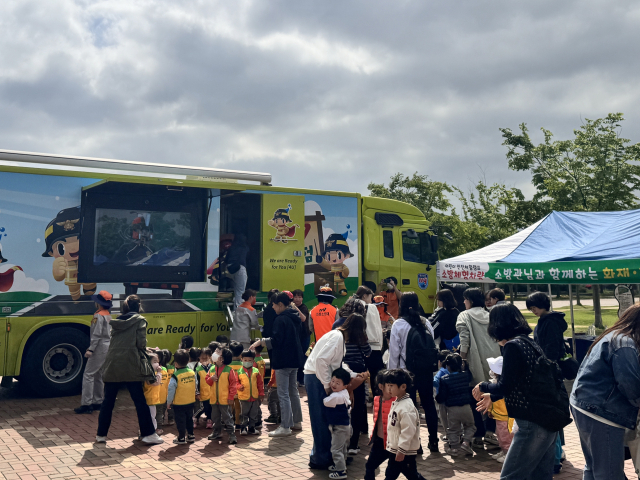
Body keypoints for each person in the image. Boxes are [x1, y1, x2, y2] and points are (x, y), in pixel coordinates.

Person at [473, 304, 571, 479]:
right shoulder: (528, 342)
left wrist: (483, 386)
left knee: (511, 476)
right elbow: (520, 381)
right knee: (540, 475)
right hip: (548, 417)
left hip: (532, 422)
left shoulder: (513, 346)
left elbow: (505, 385)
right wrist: (493, 395)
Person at [571, 303, 640, 480]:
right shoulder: (625, 344)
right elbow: (631, 387)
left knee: (594, 466)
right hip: (602, 412)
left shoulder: (614, 335)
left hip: (585, 405)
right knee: (608, 471)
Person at [304, 312, 368, 470]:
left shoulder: (338, 337)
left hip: (317, 376)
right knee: (320, 420)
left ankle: (325, 456)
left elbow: (337, 364)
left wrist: (353, 374)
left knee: (324, 419)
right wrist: (327, 385)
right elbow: (321, 361)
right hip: (316, 378)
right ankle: (320, 458)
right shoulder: (337, 337)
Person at [96, 295, 162, 445]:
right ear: (138, 306)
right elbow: (140, 344)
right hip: (130, 364)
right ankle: (148, 434)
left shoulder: (117, 322)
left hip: (113, 363)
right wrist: (148, 349)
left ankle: (101, 435)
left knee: (108, 402)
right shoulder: (140, 321)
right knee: (139, 401)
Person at [388, 292, 439, 452]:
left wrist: (391, 375)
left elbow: (394, 353)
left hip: (406, 373)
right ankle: (434, 441)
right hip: (425, 371)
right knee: (429, 404)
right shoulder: (425, 323)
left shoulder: (399, 324)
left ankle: (416, 443)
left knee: (411, 408)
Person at [251, 291, 305, 437]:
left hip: (283, 359)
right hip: (295, 359)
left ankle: (286, 425)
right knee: (293, 391)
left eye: (274, 305)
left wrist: (261, 341)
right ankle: (297, 422)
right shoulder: (294, 317)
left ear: (280, 304)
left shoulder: (280, 319)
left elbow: (277, 340)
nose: (273, 307)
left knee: (283, 393)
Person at [527, 291, 568, 473]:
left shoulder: (549, 322)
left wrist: (543, 365)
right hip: (551, 370)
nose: (532, 311)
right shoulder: (548, 320)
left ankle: (555, 457)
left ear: (542, 305)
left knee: (552, 414)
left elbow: (550, 349)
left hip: (550, 372)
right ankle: (557, 453)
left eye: (534, 307)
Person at [456, 287, 501, 447]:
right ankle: (490, 431)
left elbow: (465, 341)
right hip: (494, 361)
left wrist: (461, 360)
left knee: (474, 396)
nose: (463, 302)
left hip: (474, 362)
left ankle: (478, 434)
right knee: (492, 395)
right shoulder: (490, 315)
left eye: (465, 299)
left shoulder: (464, 316)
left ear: (471, 300)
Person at [75, 290, 113, 414]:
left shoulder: (98, 315)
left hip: (99, 347)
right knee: (98, 374)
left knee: (88, 374)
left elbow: (97, 335)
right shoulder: (108, 314)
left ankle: (86, 404)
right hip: (107, 346)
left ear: (98, 303)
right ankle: (98, 401)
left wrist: (91, 349)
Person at [338, 312, 371, 454]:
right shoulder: (361, 336)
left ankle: (341, 441)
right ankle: (353, 444)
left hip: (343, 370)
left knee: (342, 404)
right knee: (358, 406)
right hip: (357, 371)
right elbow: (368, 352)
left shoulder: (340, 334)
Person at [384, 369, 426, 480]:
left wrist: (401, 450)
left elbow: (408, 430)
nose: (389, 389)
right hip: (396, 449)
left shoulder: (406, 407)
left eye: (391, 386)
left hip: (404, 451)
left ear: (403, 386)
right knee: (393, 475)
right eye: (387, 385)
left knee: (412, 475)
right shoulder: (398, 401)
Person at [436, 353, 476, 456]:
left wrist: (437, 399)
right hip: (466, 407)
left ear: (447, 366)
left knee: (453, 429)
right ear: (461, 364)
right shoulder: (466, 375)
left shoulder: (444, 379)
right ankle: (466, 443)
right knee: (470, 426)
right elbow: (470, 377)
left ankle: (454, 449)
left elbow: (442, 396)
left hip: (452, 409)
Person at [365, 370, 395, 480]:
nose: (393, 389)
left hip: (394, 443)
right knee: (369, 466)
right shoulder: (377, 400)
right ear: (381, 386)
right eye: (390, 385)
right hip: (380, 442)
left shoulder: (398, 402)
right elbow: (376, 419)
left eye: (394, 385)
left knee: (393, 473)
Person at [323, 368, 352, 480]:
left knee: (336, 449)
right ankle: (342, 466)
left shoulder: (336, 396)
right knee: (342, 448)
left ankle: (341, 472)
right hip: (346, 425)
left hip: (339, 427)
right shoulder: (344, 393)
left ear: (345, 386)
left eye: (338, 383)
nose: (333, 384)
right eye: (333, 381)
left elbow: (325, 402)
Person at [206, 347, 238, 444]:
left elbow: (233, 384)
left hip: (225, 400)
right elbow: (207, 380)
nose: (214, 353)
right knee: (215, 417)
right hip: (214, 399)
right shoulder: (211, 368)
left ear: (222, 358)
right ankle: (217, 432)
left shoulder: (229, 370)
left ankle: (231, 434)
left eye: (217, 352)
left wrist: (231, 397)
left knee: (227, 418)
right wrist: (211, 378)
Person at [485, 356, 513, 464]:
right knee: (500, 435)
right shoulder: (496, 383)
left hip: (504, 416)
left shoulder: (501, 386)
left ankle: (508, 453)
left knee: (505, 436)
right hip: (498, 415)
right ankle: (503, 450)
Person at [167, 349, 196, 445]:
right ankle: (191, 435)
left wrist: (168, 402)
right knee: (189, 419)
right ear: (188, 361)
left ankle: (181, 437)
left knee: (180, 421)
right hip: (191, 401)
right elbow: (196, 384)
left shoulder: (175, 376)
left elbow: (171, 390)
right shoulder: (192, 372)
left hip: (179, 403)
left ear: (175, 363)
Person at [237, 349, 264, 435]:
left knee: (253, 413)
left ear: (253, 360)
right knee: (244, 413)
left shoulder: (256, 371)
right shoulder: (239, 371)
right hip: (244, 397)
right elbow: (235, 383)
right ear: (242, 360)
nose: (247, 362)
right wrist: (239, 386)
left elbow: (260, 383)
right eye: (245, 360)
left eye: (250, 360)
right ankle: (243, 427)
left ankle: (252, 427)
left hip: (254, 397)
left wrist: (261, 394)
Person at [225, 233, 249, 308]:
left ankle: (234, 299)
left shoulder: (232, 247)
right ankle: (237, 311)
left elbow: (226, 259)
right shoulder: (245, 247)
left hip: (230, 268)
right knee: (240, 292)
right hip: (239, 268)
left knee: (236, 287)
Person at [292, 289, 311, 384]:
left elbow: (303, 318)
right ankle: (297, 379)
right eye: (296, 297)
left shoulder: (303, 308)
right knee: (296, 357)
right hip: (296, 337)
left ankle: (301, 379)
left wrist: (295, 308)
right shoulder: (290, 308)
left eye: (299, 297)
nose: (297, 299)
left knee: (303, 357)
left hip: (304, 336)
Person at [143, 352, 164, 433]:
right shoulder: (149, 375)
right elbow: (156, 382)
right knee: (151, 417)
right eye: (154, 362)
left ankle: (146, 431)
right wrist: (159, 372)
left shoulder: (150, 373)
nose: (157, 364)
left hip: (152, 400)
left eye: (157, 361)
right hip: (150, 400)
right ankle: (152, 431)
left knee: (151, 416)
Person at [433, 349, 452, 438]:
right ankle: (458, 433)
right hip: (453, 398)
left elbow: (435, 382)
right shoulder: (454, 370)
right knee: (453, 417)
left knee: (444, 418)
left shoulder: (441, 372)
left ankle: (448, 434)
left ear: (439, 362)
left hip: (442, 399)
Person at [194, 348, 213, 429]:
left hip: (212, 392)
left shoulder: (213, 367)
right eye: (202, 359)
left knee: (211, 407)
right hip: (203, 392)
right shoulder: (198, 370)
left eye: (206, 358)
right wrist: (197, 392)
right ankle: (194, 417)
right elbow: (196, 382)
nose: (204, 360)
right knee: (204, 407)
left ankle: (209, 420)